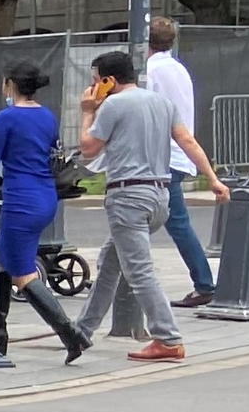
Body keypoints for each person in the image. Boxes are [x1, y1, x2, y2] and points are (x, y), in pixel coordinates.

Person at [0, 61, 87, 363]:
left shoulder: (7, 117)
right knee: (4, 263)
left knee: (21, 273)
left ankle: (70, 334)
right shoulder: (47, 117)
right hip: (44, 197)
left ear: (10, 84)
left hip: (19, 200)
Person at [73, 50, 190, 362]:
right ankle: (81, 330)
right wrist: (213, 178)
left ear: (109, 81)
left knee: (139, 271)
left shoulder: (113, 104)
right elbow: (187, 141)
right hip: (159, 195)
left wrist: (87, 112)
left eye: (96, 81)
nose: (93, 86)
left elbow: (87, 148)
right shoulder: (162, 103)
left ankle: (168, 337)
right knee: (110, 264)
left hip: (128, 196)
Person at [146, 17, 232, 307]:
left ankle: (204, 283)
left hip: (159, 155)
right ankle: (203, 282)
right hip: (178, 153)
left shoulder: (149, 71)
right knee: (174, 221)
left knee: (168, 222)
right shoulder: (178, 69)